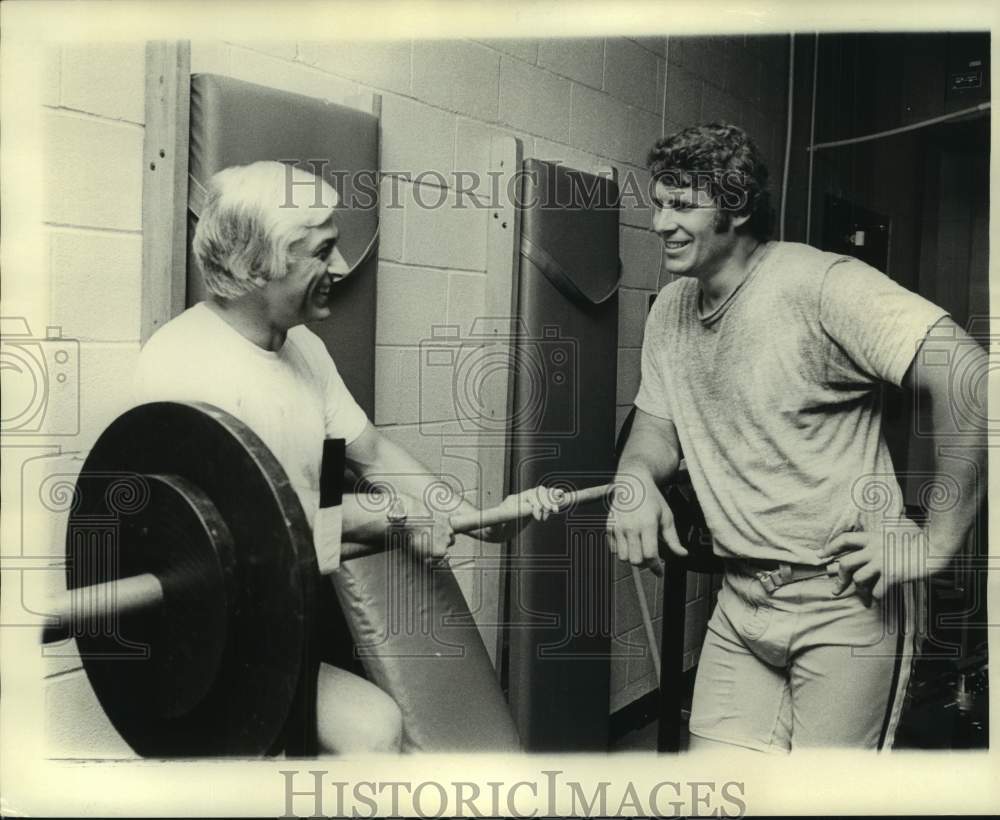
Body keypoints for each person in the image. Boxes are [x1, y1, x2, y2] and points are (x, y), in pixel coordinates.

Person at [133, 160, 561, 754]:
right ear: (258, 264)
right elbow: (257, 521)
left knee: (391, 742)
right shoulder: (183, 362)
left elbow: (373, 452)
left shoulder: (303, 346)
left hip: (292, 612)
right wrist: (403, 517)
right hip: (211, 641)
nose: (339, 268)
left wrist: (472, 517)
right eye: (322, 253)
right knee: (373, 732)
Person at [607, 123, 986, 751]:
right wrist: (634, 477)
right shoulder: (671, 310)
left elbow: (972, 378)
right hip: (740, 601)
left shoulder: (822, 285)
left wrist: (937, 542)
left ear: (739, 206)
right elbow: (657, 427)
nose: (658, 222)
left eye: (681, 204)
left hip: (845, 600)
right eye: (658, 200)